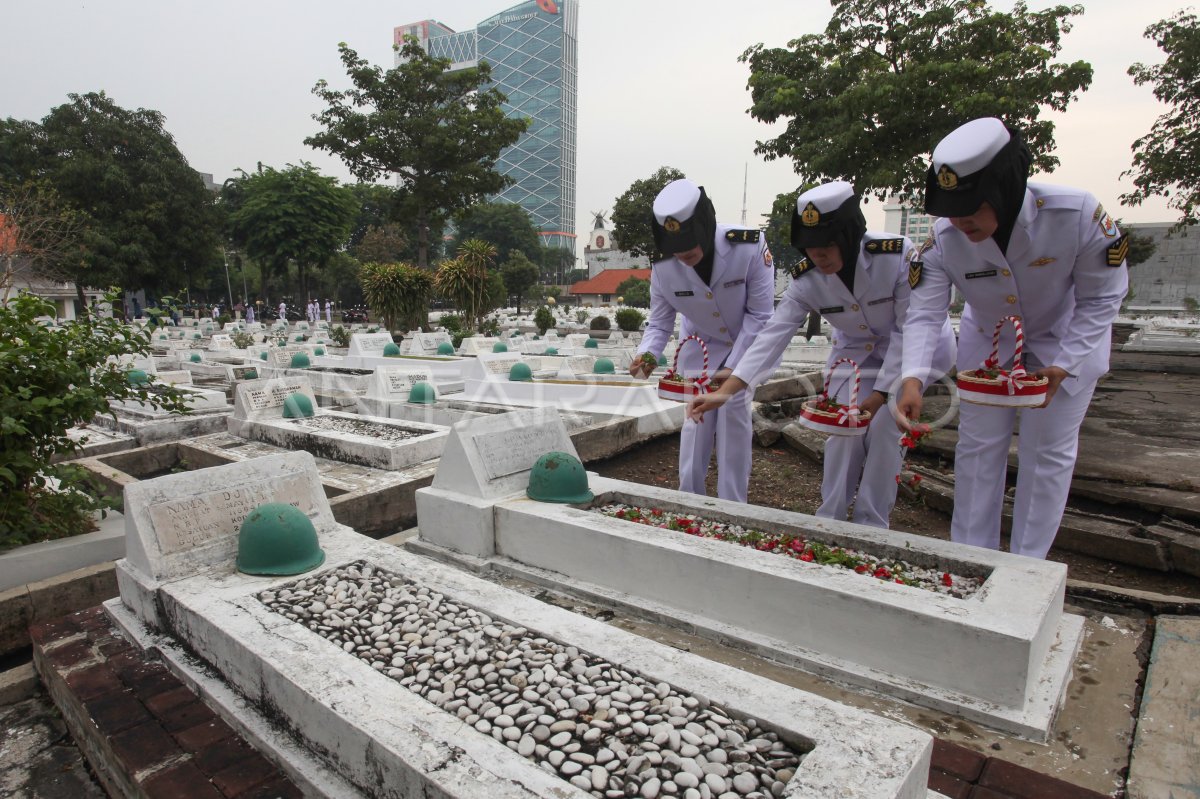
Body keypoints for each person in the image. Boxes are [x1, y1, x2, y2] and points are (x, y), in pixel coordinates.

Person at [896, 117, 1129, 559]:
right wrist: (912, 378)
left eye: (972, 207)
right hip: (988, 348)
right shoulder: (944, 239)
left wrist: (1064, 364)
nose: (961, 220)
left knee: (1047, 455)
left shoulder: (1074, 215)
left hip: (1066, 343)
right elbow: (925, 313)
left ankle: (1027, 567)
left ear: (1005, 188)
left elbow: (1102, 298)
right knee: (978, 452)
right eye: (952, 208)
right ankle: (971, 558)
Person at [689, 181, 956, 528]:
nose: (820, 256)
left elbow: (909, 329)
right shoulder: (807, 279)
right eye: (811, 248)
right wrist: (728, 390)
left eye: (828, 245)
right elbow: (773, 335)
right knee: (843, 434)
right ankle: (830, 520)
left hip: (913, 356)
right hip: (854, 356)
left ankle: (871, 524)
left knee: (885, 433)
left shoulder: (893, 257)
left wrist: (880, 397)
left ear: (847, 236)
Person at [628, 178, 774, 503]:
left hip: (743, 345)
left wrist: (734, 370)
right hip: (701, 350)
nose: (683, 256)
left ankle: (733, 505)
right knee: (695, 424)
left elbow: (760, 316)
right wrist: (646, 356)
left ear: (706, 228)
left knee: (734, 417)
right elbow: (660, 321)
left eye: (690, 249)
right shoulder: (664, 267)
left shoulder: (747, 247)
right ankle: (689, 500)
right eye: (676, 251)